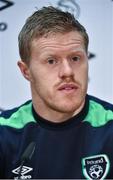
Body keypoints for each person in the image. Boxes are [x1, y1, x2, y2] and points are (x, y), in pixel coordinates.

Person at [0, 6, 113, 179]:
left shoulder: (109, 126)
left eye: (75, 58)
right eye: (51, 61)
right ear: (26, 71)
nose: (67, 71)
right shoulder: (4, 133)